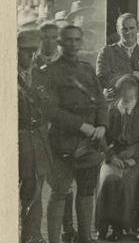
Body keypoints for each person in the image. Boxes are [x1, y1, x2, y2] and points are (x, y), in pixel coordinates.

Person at [46, 25, 109, 243]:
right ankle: (54, 239)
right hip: (63, 141)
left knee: (86, 192)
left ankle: (85, 238)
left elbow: (101, 100)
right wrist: (81, 125)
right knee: (60, 192)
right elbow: (51, 110)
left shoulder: (87, 69)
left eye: (77, 40)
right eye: (68, 40)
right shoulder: (50, 72)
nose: (73, 44)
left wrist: (102, 124)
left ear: (81, 42)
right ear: (60, 43)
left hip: (90, 140)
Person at [95, 74, 139, 240]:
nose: (128, 92)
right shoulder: (111, 110)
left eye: (131, 88)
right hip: (113, 155)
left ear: (136, 90)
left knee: (126, 182)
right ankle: (103, 224)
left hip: (137, 157)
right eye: (124, 89)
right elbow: (102, 138)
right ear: (119, 91)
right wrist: (111, 157)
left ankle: (120, 226)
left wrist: (135, 157)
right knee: (107, 179)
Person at [19, 29, 54, 243]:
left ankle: (33, 235)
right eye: (25, 52)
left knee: (37, 190)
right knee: (21, 190)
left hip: (39, 141)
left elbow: (49, 107)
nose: (30, 56)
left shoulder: (41, 76)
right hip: (18, 141)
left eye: (34, 52)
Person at [96, 13, 139, 101]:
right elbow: (102, 79)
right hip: (114, 104)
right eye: (124, 29)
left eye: (132, 28)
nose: (128, 32)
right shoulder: (106, 52)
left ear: (138, 28)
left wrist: (135, 94)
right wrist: (132, 73)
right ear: (117, 30)